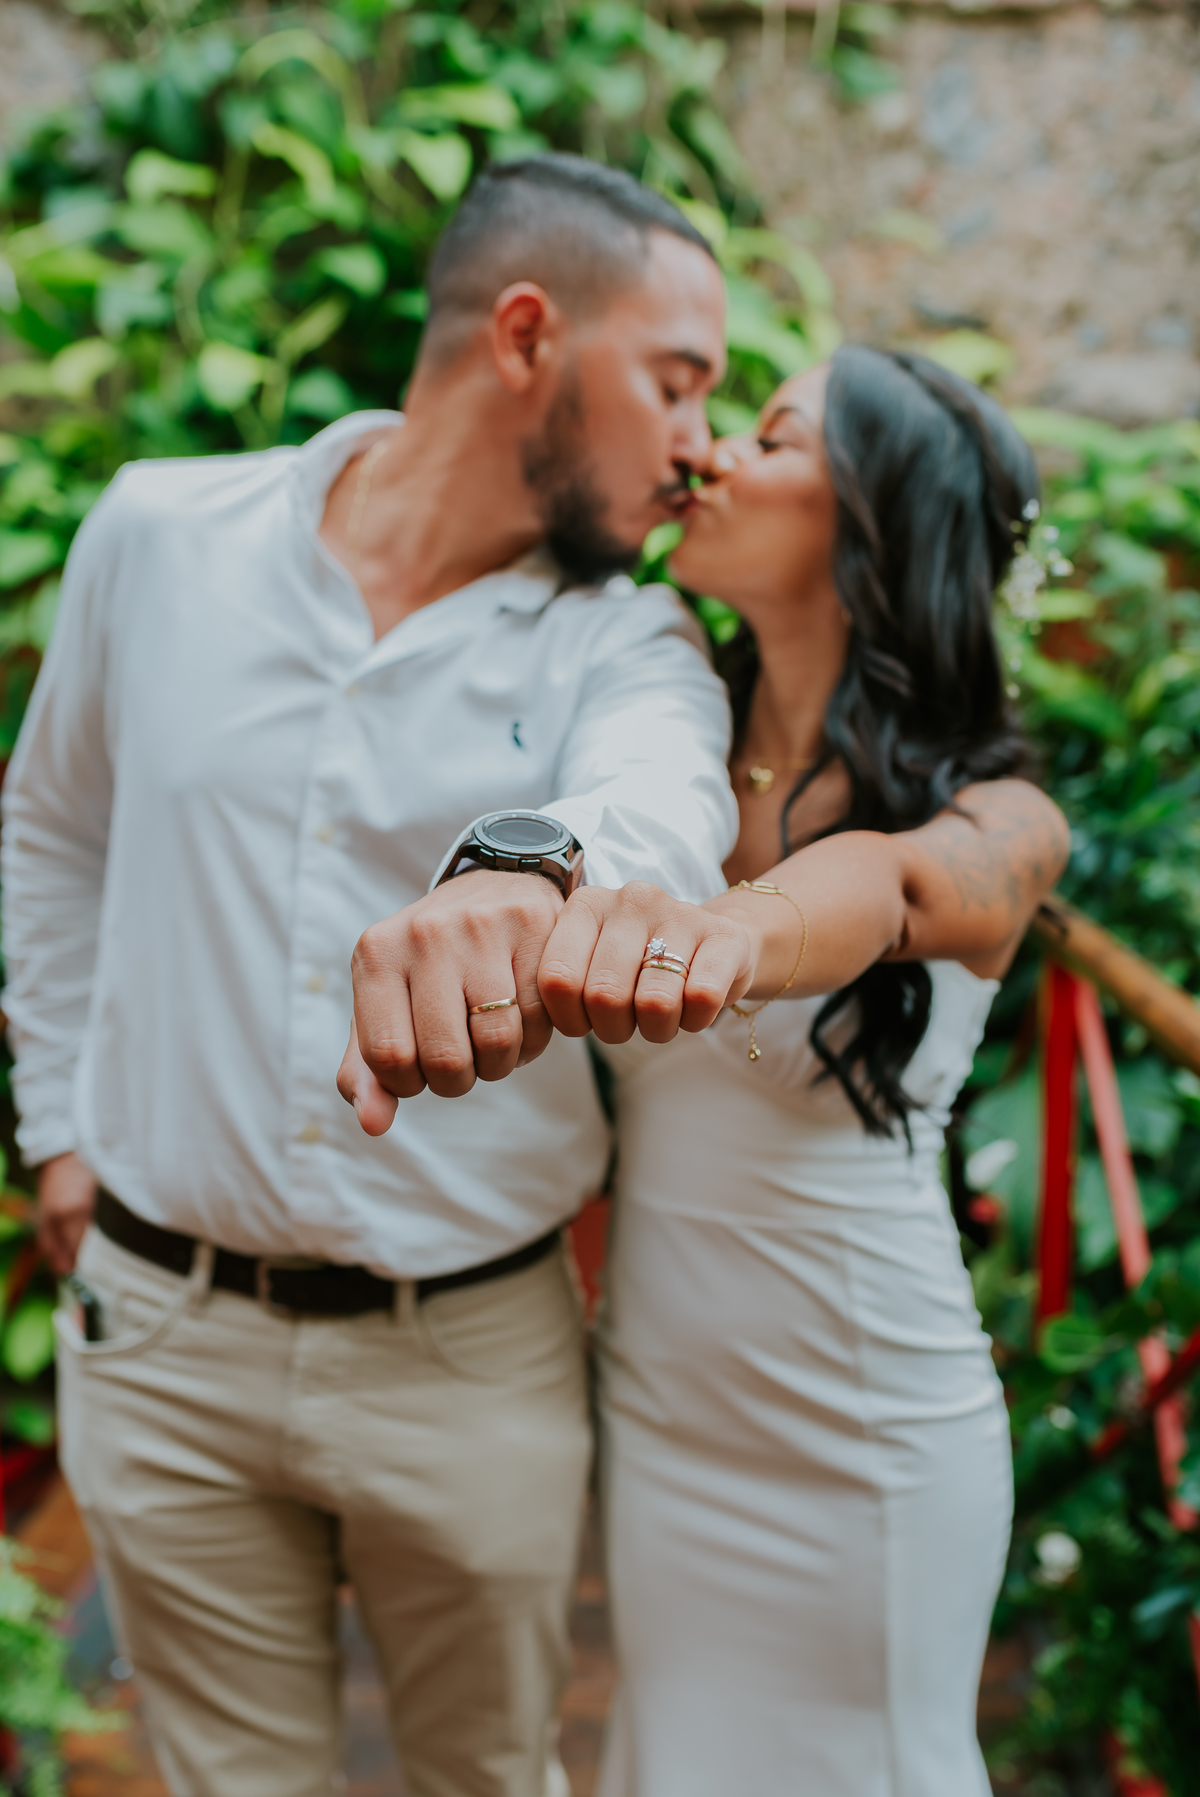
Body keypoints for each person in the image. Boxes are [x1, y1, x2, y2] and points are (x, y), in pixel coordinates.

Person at [1, 155, 736, 1797]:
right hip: (164, 1345)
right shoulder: (155, 532)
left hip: (469, 1351)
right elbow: (53, 832)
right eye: (679, 381)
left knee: (490, 1776)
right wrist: (59, 1130)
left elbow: (664, 814)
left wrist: (529, 864)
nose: (701, 443)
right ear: (528, 334)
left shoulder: (629, 643)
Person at [342, 348, 1069, 1795]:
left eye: (772, 434)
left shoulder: (999, 811)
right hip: (669, 1400)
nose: (714, 457)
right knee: (676, 1754)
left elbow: (892, 888)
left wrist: (717, 933)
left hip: (860, 1405)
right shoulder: (655, 755)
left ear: (875, 514)